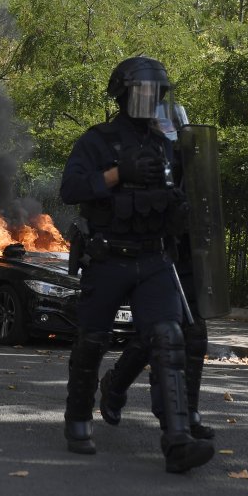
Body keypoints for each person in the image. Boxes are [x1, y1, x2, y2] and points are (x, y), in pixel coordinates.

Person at [60, 56, 214, 473]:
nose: (149, 100)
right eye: (141, 92)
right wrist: (114, 175)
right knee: (92, 341)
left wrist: (181, 207)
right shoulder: (96, 140)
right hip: (107, 256)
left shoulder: (166, 144)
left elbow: (183, 194)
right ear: (123, 95)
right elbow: (70, 188)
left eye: (156, 93)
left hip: (153, 258)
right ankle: (77, 419)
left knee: (168, 337)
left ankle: (178, 438)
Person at [99, 104, 214, 442]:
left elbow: (201, 203)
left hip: (187, 254)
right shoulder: (140, 159)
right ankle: (169, 417)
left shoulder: (188, 160)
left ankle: (185, 412)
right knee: (165, 334)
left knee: (194, 335)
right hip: (156, 255)